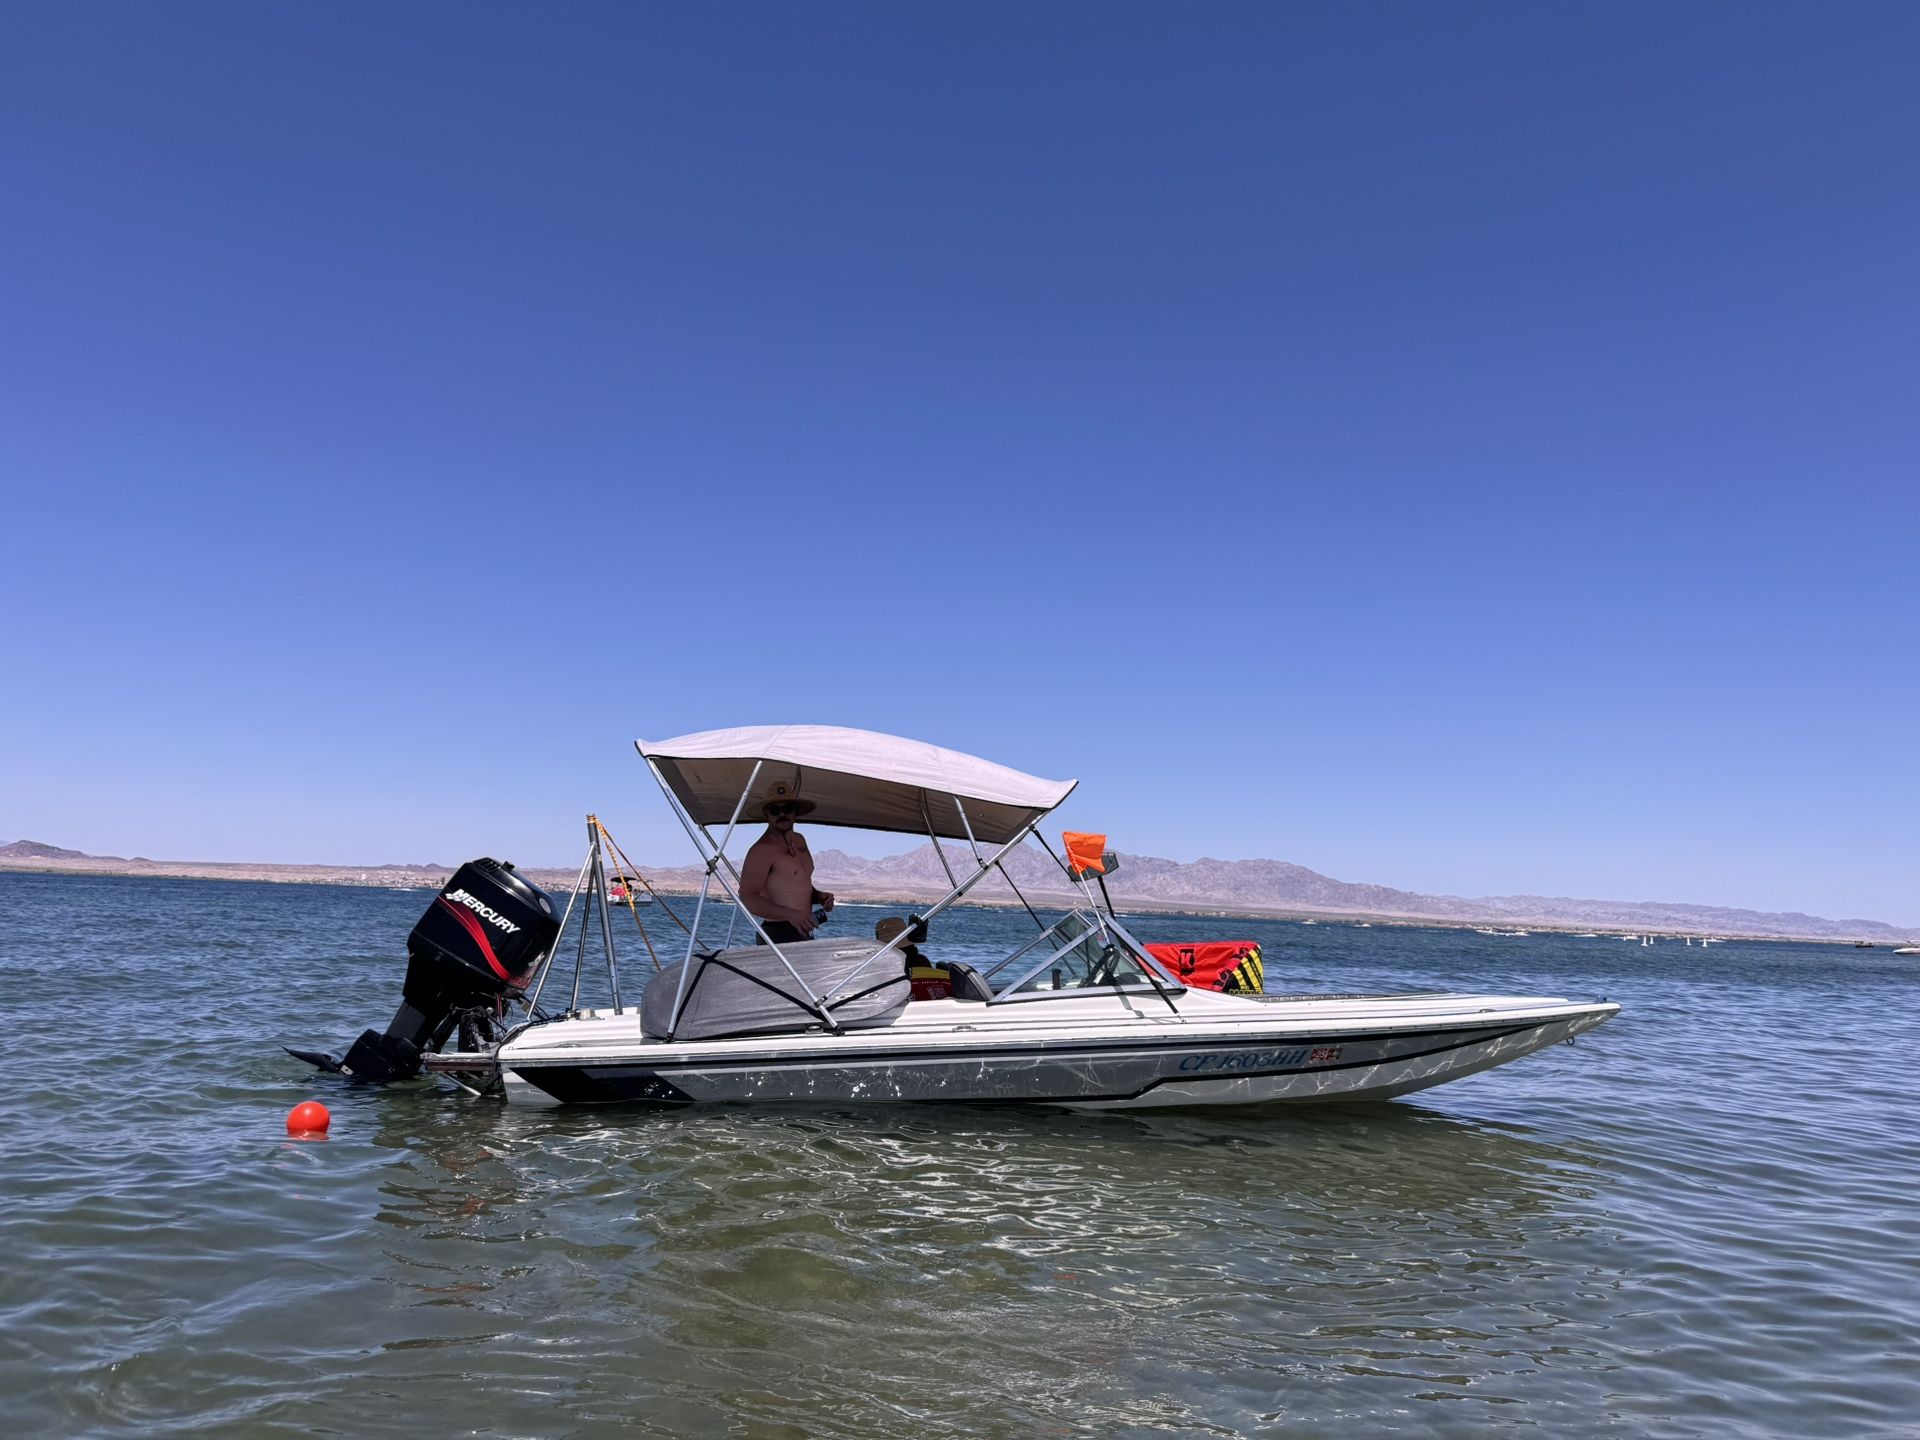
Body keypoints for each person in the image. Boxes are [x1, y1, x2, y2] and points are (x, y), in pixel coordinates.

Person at [739, 786, 834, 944]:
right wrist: (790, 914)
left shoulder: (800, 841)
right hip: (777, 933)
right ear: (766, 814)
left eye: (787, 809)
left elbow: (795, 884)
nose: (782, 814)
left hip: (804, 929)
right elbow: (747, 898)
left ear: (795, 811)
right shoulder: (761, 850)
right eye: (775, 810)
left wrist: (819, 897)